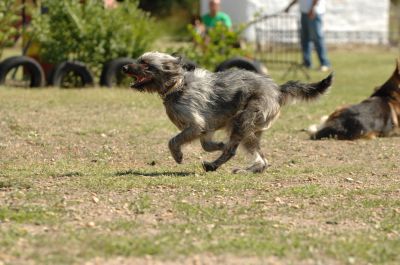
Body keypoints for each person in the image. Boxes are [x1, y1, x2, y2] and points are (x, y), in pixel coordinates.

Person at [285, 0, 331, 71]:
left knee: (317, 38)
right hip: (304, 12)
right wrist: (289, 6)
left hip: (314, 13)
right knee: (305, 39)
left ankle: (324, 63)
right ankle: (307, 63)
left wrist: (312, 8)